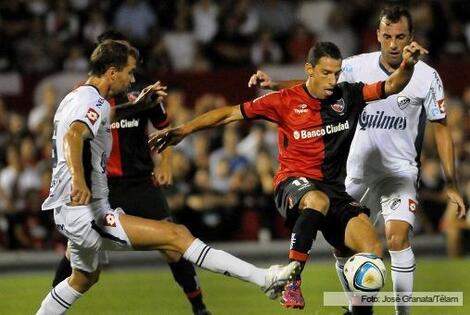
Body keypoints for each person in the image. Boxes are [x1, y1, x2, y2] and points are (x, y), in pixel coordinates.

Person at [149, 40, 427, 313]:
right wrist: (183, 130)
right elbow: (229, 114)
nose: (333, 80)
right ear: (309, 69)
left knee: (372, 250)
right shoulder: (283, 101)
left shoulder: (349, 95)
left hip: (334, 190)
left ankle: (359, 312)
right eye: (325, 73)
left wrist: (406, 64)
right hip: (293, 181)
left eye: (337, 73)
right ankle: (292, 280)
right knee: (316, 200)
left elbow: (392, 85)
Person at [36, 40, 300, 315]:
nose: (133, 78)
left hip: (72, 210)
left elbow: (101, 116)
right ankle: (264, 279)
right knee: (176, 235)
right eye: (129, 71)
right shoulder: (90, 101)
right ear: (112, 72)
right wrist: (79, 180)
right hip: (85, 212)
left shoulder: (79, 97)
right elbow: (74, 134)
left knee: (83, 279)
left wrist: (138, 106)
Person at [248, 7, 466, 315]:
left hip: (399, 172)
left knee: (397, 238)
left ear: (411, 38)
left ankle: (402, 313)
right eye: (387, 36)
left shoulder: (428, 77)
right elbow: (317, 85)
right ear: (377, 35)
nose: (393, 44)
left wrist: (452, 184)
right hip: (357, 171)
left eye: (400, 37)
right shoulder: (355, 67)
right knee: (343, 247)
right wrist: (275, 86)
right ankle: (357, 308)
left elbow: (441, 129)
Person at [50, 30, 211, 315]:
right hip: (102, 185)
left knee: (173, 247)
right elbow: (72, 135)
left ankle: (199, 307)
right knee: (74, 254)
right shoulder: (84, 96)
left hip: (139, 182)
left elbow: (164, 125)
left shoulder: (141, 91)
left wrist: (165, 162)